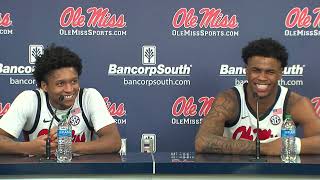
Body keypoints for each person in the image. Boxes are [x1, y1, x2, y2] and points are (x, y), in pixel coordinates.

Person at [195, 38, 320, 155]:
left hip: (278, 174)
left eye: (270, 72)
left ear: (281, 73)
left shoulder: (295, 102)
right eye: (256, 70)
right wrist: (264, 148)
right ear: (246, 70)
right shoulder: (229, 99)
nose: (262, 77)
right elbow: (202, 142)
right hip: (234, 173)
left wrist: (289, 146)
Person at [0, 44, 121, 155]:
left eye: (74, 81)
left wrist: (68, 147)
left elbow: (114, 141)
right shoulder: (30, 99)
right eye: (60, 83)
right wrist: (28, 148)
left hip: (81, 174)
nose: (69, 89)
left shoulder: (88, 97)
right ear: (44, 86)